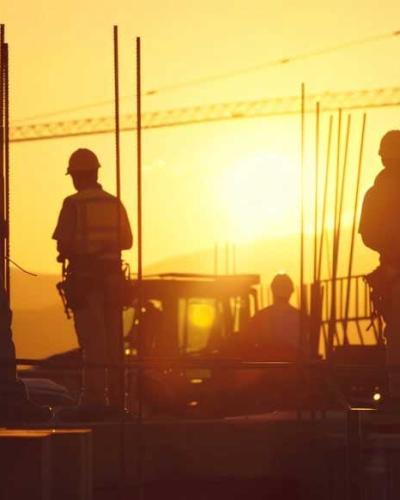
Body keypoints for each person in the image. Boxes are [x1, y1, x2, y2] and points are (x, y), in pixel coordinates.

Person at [53, 148, 133, 412]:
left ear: (75, 176)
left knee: (93, 343)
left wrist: (76, 250)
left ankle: (95, 401)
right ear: (96, 172)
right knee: (113, 342)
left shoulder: (73, 203)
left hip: (86, 282)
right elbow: (127, 241)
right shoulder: (113, 203)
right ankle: (117, 400)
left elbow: (63, 244)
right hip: (112, 281)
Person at [359, 130, 400, 404]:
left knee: (395, 334)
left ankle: (397, 395)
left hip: (391, 272)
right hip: (392, 271)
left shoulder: (375, 193)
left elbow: (367, 235)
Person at [244, 273, 306, 360]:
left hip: (267, 366)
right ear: (292, 291)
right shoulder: (302, 317)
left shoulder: (261, 316)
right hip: (296, 366)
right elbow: (307, 348)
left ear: (272, 290)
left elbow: (250, 341)